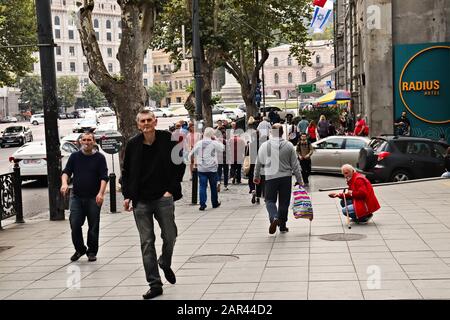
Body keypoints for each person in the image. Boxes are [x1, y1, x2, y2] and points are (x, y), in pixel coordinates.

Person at [121, 109, 186, 300]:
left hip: (163, 198)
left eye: (149, 120)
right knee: (147, 242)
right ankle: (154, 284)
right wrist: (127, 195)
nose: (146, 123)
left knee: (170, 235)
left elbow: (180, 164)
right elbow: (126, 172)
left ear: (155, 121)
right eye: (143, 121)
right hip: (141, 200)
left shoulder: (169, 139)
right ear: (138, 124)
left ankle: (165, 262)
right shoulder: (133, 144)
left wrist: (170, 191)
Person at [61, 132, 109, 263]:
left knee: (93, 226)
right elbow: (66, 172)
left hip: (94, 197)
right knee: (74, 223)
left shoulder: (99, 158)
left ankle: (92, 251)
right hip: (76, 196)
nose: (86, 142)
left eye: (89, 140)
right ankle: (80, 249)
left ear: (93, 142)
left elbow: (104, 177)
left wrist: (101, 193)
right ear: (80, 142)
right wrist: (64, 183)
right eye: (84, 140)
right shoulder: (74, 156)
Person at [254, 124, 304, 234]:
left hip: (270, 178)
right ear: (282, 133)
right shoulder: (289, 145)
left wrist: (256, 176)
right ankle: (282, 225)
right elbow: (295, 165)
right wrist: (300, 180)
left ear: (271, 132)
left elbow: (258, 163)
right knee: (284, 202)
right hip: (286, 177)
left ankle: (274, 217)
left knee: (269, 200)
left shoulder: (264, 146)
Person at [190, 127, 224, 210]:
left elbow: (192, 153)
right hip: (212, 168)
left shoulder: (199, 143)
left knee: (202, 186)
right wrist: (216, 139)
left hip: (202, 168)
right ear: (212, 135)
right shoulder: (214, 143)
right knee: (213, 186)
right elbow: (222, 148)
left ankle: (202, 204)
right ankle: (214, 203)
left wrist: (195, 161)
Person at [247, 128, 264, 204]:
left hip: (252, 163)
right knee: (259, 179)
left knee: (251, 178)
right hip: (260, 164)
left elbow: (247, 155)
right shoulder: (263, 144)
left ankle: (253, 189)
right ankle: (258, 196)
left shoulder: (250, 144)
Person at [215, 121, 229, 191]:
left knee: (219, 171)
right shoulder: (225, 140)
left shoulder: (216, 140)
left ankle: (218, 182)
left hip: (218, 158)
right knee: (226, 171)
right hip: (225, 157)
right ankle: (225, 185)